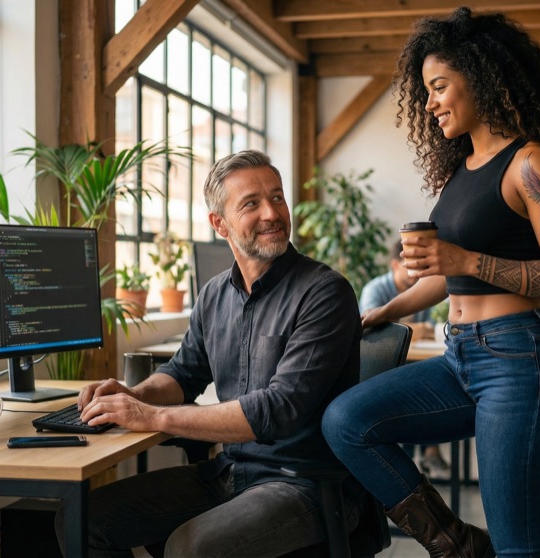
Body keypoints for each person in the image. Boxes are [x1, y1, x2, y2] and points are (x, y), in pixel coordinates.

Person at [322, 7, 540, 558]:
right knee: (347, 421)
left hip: (523, 362)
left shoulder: (533, 164)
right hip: (461, 357)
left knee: (519, 546)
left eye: (439, 86)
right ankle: (456, 543)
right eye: (425, 91)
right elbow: (446, 280)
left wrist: (464, 259)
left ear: (482, 77)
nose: (429, 102)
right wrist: (378, 314)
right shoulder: (460, 172)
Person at [57, 150, 363, 556]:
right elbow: (183, 374)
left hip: (306, 483)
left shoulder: (325, 292)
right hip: (231, 472)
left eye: (277, 197)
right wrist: (135, 396)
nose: (272, 213)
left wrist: (155, 417)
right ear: (219, 223)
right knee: (81, 521)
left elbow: (280, 409)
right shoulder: (214, 294)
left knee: (190, 547)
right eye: (251, 203)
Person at [360, 239, 450, 480]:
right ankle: (427, 452)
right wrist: (415, 327)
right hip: (382, 368)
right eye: (409, 266)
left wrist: (411, 327)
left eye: (419, 267)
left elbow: (434, 327)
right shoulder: (376, 290)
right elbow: (378, 331)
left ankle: (427, 451)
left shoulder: (425, 288)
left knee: (432, 378)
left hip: (415, 361)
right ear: (394, 265)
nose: (415, 273)